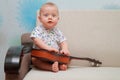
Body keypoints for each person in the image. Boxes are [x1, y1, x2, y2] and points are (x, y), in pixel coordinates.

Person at [30, 2, 70, 72]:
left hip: (55, 56)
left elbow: (63, 41)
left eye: (53, 15)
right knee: (34, 60)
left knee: (67, 57)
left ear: (58, 19)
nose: (50, 18)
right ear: (40, 18)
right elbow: (36, 40)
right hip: (41, 56)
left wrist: (65, 49)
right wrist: (48, 48)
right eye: (46, 15)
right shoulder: (38, 29)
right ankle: (50, 67)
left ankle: (60, 65)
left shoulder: (57, 31)